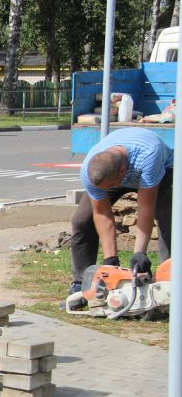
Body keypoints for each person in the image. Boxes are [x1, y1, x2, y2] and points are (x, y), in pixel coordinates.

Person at [68, 127, 173, 304]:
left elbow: (145, 207)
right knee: (81, 221)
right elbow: (101, 212)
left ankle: (168, 282)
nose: (106, 190)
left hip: (161, 170)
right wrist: (111, 262)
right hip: (114, 172)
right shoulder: (90, 169)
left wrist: (139, 253)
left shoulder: (149, 155)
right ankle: (82, 284)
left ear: (123, 171)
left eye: (111, 185)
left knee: (167, 219)